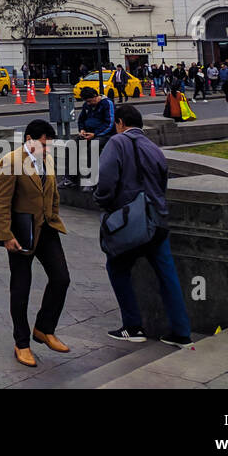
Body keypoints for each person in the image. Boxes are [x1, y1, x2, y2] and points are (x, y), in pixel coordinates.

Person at [95, 104, 192, 348]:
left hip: (130, 221)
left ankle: (132, 326)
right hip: (157, 220)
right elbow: (162, 182)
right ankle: (181, 332)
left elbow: (106, 179)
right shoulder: (154, 148)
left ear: (119, 123)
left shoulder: (117, 143)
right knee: (167, 275)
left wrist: (104, 202)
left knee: (117, 268)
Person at [0, 119, 70, 368]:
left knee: (61, 278)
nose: (47, 150)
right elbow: (0, 202)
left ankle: (44, 329)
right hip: (21, 233)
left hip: (47, 228)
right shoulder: (10, 162)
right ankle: (22, 343)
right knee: (21, 288)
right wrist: (5, 235)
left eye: (49, 146)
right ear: (29, 140)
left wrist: (54, 216)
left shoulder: (46, 158)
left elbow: (53, 192)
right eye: (43, 145)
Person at [77, 86, 116, 152]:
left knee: (93, 147)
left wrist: (95, 134)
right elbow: (81, 119)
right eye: (86, 101)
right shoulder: (86, 105)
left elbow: (109, 123)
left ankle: (94, 162)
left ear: (95, 96)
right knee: (73, 146)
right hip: (89, 133)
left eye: (89, 101)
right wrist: (82, 129)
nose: (88, 103)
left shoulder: (107, 103)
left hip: (105, 134)